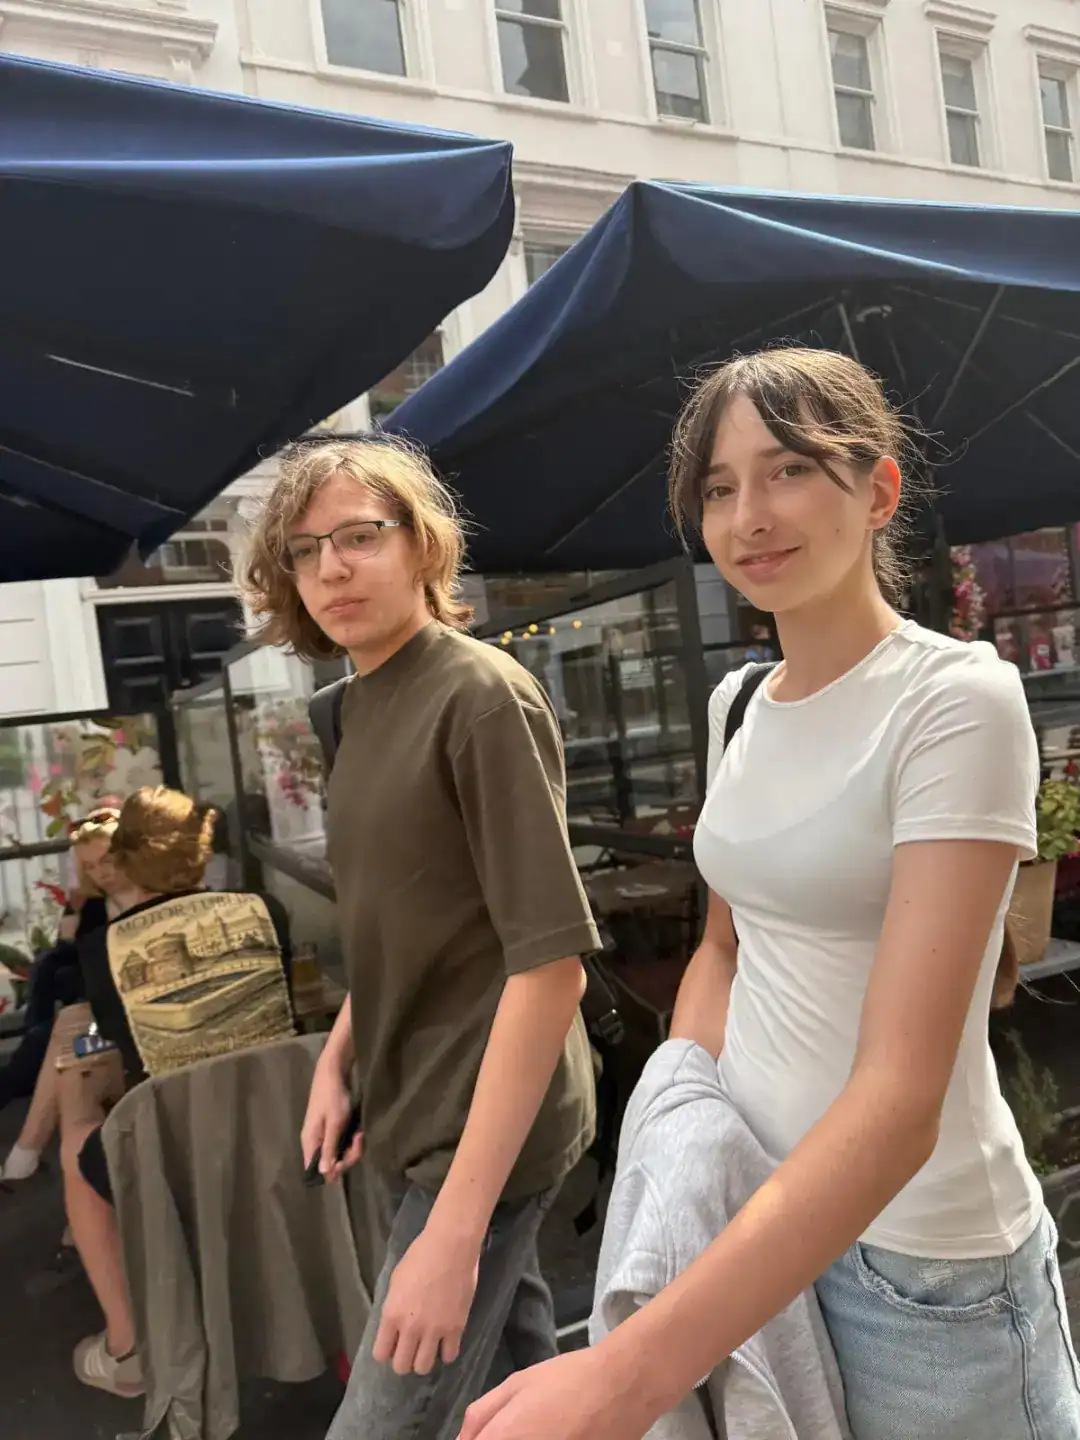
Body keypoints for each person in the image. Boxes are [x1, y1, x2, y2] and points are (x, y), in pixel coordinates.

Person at [457, 348, 1080, 1440]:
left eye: (789, 468)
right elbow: (724, 949)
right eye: (718, 487)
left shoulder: (955, 700)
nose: (748, 516)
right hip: (750, 1221)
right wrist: (682, 1125)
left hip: (919, 1275)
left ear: (878, 492)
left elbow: (900, 1103)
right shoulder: (738, 704)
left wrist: (622, 1376)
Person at [239, 435, 598, 1440]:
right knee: (517, 1393)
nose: (332, 569)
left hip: (480, 1130)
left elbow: (551, 970)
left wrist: (455, 1230)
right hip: (409, 1104)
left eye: (360, 536)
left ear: (423, 545)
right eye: (306, 551)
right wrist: (340, 1060)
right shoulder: (350, 711)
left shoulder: (480, 697)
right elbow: (408, 920)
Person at [59, 786, 294, 1399]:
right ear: (201, 851)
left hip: (176, 1152)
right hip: (284, 1133)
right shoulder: (267, 910)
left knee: (78, 1143)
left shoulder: (102, 950)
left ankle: (127, 1347)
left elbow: (126, 1052)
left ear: (127, 859)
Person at [0, 809, 121, 1178]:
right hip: (98, 1008)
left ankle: (24, 1158)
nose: (101, 872)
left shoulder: (138, 896)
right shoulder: (97, 900)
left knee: (57, 1044)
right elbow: (71, 945)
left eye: (106, 860)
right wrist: (75, 907)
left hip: (121, 1022)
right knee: (59, 1030)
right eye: (90, 866)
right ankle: (24, 1158)